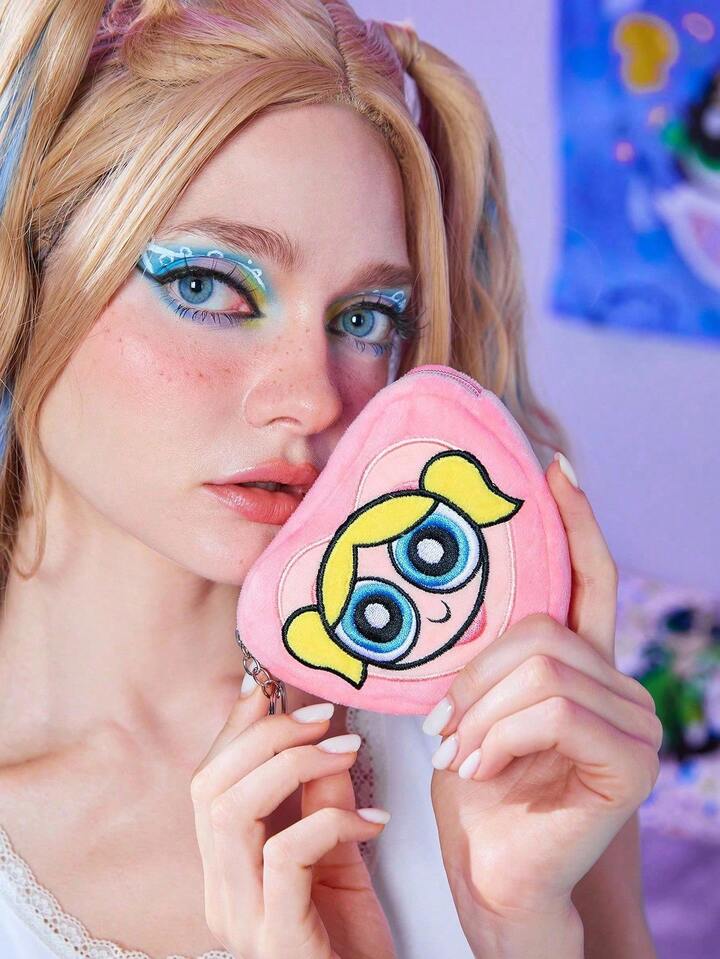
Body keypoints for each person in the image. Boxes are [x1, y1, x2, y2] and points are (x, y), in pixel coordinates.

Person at [0, 1, 662, 957]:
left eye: (363, 318)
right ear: (26, 281)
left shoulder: (513, 747)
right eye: (206, 285)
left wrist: (520, 926)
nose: (314, 398)